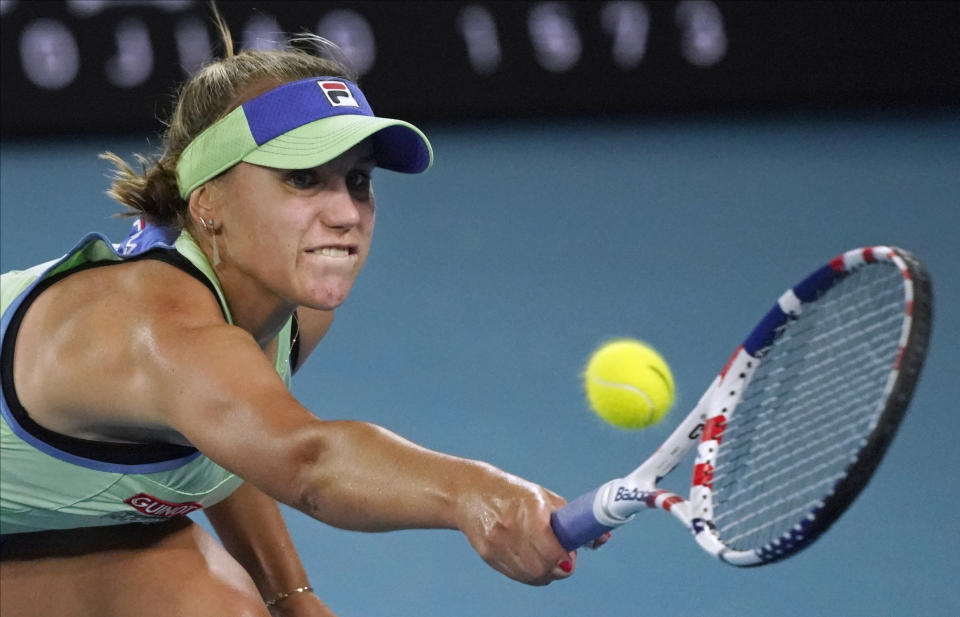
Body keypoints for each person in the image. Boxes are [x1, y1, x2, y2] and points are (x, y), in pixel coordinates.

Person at [0, 13, 604, 617]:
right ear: (208, 201)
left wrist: (291, 596)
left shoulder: (286, 311)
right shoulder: (158, 330)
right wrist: (475, 492)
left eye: (358, 180)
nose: (345, 213)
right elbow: (306, 462)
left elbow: (228, 435)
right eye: (303, 179)